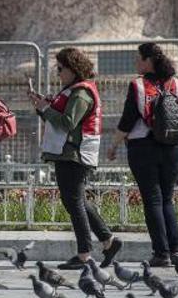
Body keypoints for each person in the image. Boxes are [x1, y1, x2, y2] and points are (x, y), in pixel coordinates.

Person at [30, 48, 122, 270]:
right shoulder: (72, 90)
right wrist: (43, 107)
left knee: (74, 202)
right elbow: (60, 118)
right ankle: (108, 242)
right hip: (68, 152)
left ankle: (84, 255)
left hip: (75, 154)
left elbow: (68, 122)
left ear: (72, 69)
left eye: (60, 68)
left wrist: (45, 109)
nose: (58, 73)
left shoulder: (81, 93)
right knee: (77, 200)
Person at [107, 43, 178, 267]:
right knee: (167, 198)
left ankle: (161, 253)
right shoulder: (177, 84)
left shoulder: (138, 86)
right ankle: (176, 251)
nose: (135, 62)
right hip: (172, 147)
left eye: (138, 58)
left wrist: (113, 146)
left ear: (148, 60)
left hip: (144, 148)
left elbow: (127, 120)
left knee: (152, 199)